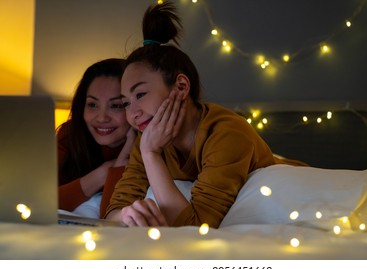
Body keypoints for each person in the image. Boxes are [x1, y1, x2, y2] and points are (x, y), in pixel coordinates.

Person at [105, 1, 306, 228]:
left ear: (181, 87)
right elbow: (113, 211)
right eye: (125, 103)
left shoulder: (227, 133)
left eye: (140, 94)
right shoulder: (148, 138)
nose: (133, 113)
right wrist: (127, 215)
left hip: (302, 192)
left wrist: (151, 154)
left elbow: (197, 227)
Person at [57, 58, 136, 218]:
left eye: (115, 105)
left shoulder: (149, 146)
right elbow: (41, 203)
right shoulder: (71, 135)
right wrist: (103, 173)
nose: (101, 118)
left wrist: (121, 162)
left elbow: (109, 218)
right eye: (92, 105)